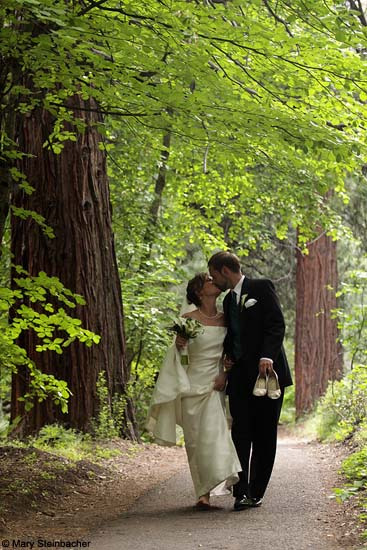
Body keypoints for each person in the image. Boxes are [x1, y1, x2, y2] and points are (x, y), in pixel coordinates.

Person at [146, 273, 241, 510]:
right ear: (199, 291)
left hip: (214, 385)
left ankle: (219, 478)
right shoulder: (187, 320)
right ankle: (202, 492)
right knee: (195, 441)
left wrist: (225, 374)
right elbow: (179, 357)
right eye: (209, 280)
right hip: (191, 386)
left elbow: (230, 353)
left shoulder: (226, 319)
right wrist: (179, 346)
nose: (214, 282)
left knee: (215, 434)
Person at [208, 251, 293, 511]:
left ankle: (255, 492)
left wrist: (267, 355)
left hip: (267, 377)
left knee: (265, 434)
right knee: (241, 433)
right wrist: (229, 359)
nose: (213, 280)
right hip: (240, 378)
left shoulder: (261, 287)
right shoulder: (228, 301)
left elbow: (276, 324)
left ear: (224, 270)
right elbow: (234, 335)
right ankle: (241, 490)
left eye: (214, 275)